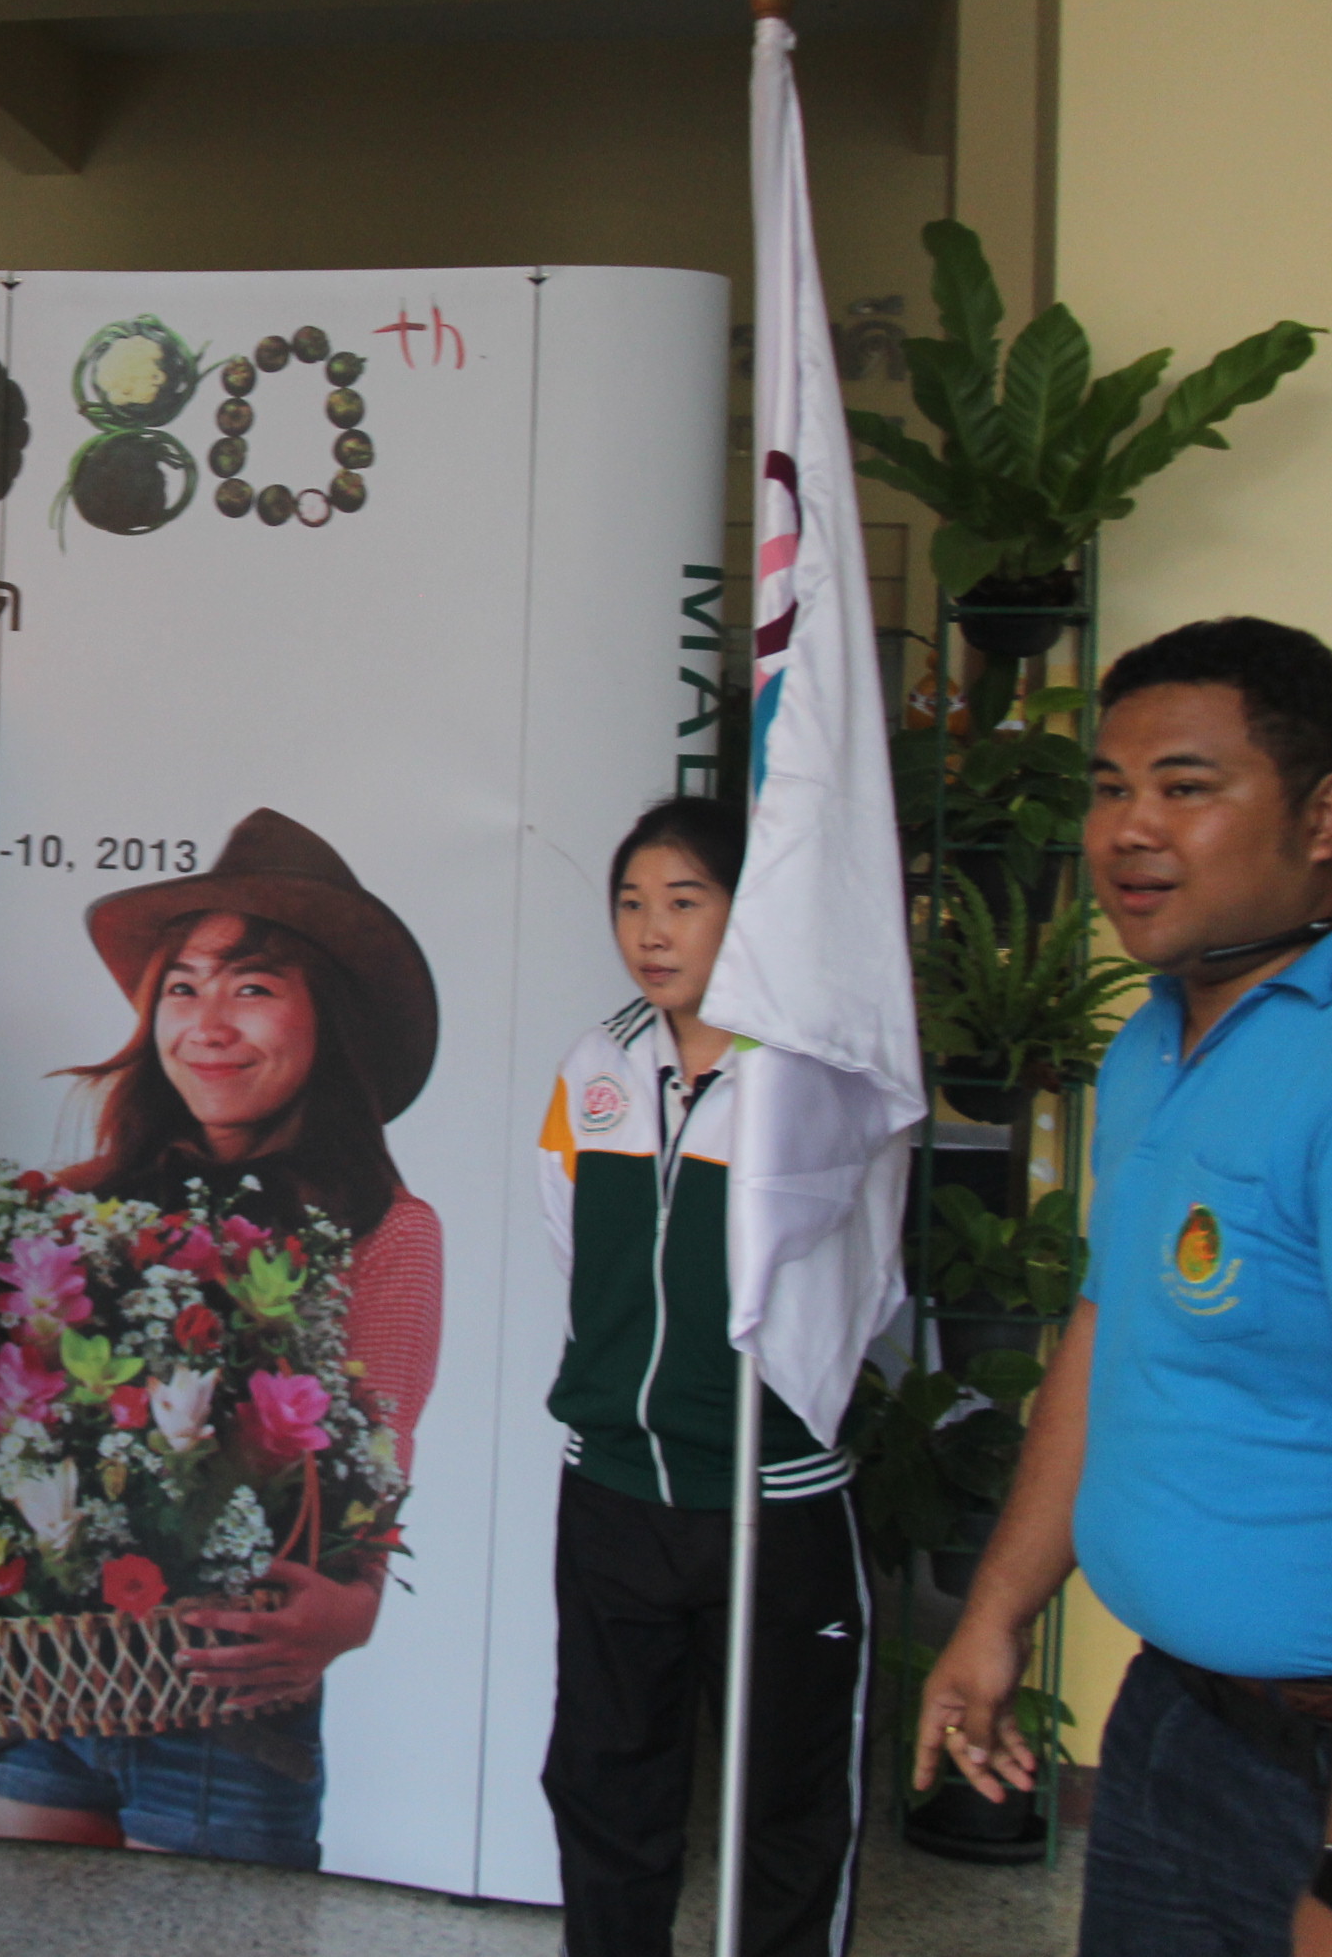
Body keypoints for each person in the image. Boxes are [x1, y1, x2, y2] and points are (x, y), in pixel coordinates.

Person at [917, 617, 1332, 1957]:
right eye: (1111, 790)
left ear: (1325, 817)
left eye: (1186, 788)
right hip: (1180, 1725)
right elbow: (1107, 1333)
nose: (1128, 831)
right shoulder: (1157, 1036)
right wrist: (995, 1616)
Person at [0, 807, 443, 1868]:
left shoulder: (385, 1229)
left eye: (253, 988)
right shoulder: (75, 1202)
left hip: (231, 1696)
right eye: (183, 988)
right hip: (41, 1676)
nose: (208, 1025)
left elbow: (381, 1456)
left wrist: (353, 1611)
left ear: (331, 1018)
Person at [536, 793, 867, 1957]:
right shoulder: (599, 1066)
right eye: (631, 902)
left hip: (769, 1496)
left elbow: (857, 1269)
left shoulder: (813, 1079)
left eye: (684, 901)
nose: (651, 930)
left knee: (785, 1798)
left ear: (747, 911)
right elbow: (574, 1242)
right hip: (617, 1489)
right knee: (605, 1780)